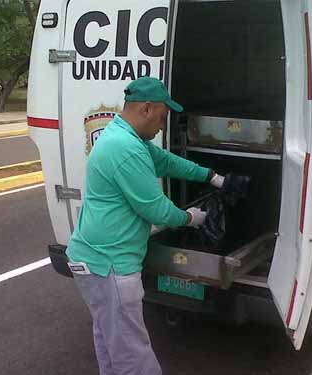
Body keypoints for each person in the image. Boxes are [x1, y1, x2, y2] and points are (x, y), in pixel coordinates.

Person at [66, 76, 225, 375]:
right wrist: (192, 218)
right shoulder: (124, 149)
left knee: (111, 341)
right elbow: (156, 209)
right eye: (163, 118)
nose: (163, 126)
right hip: (109, 265)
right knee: (133, 356)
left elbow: (167, 162)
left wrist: (211, 176)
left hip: (94, 260)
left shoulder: (124, 135)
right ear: (147, 109)